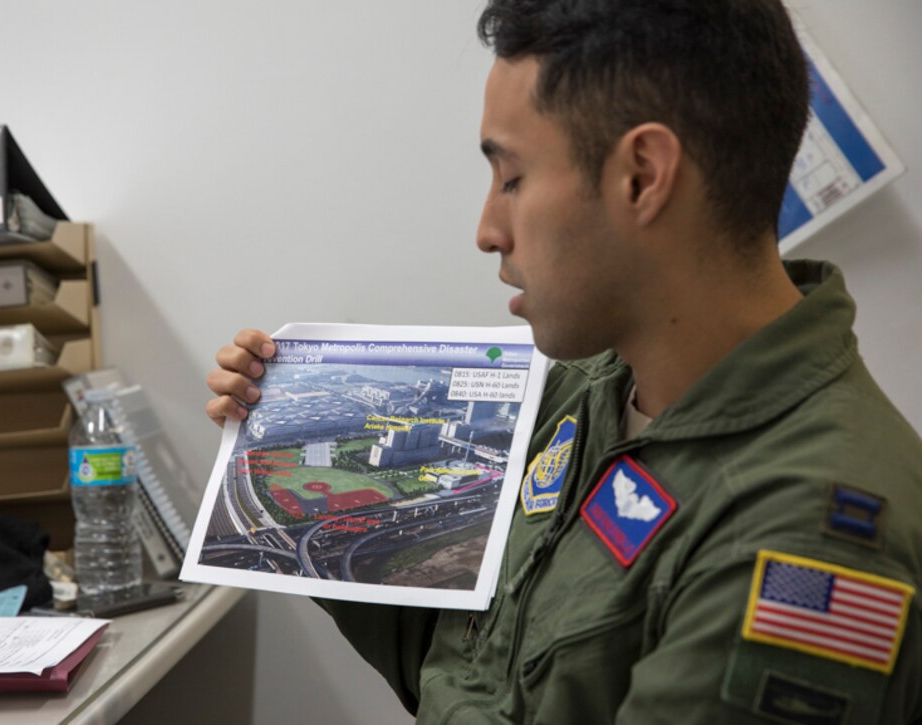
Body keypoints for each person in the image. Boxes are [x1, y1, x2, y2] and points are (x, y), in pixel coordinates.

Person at [206, 1, 922, 721]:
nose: (488, 231)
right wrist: (274, 457)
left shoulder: (804, 536)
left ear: (643, 176)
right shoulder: (584, 396)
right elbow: (460, 663)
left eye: (512, 178)